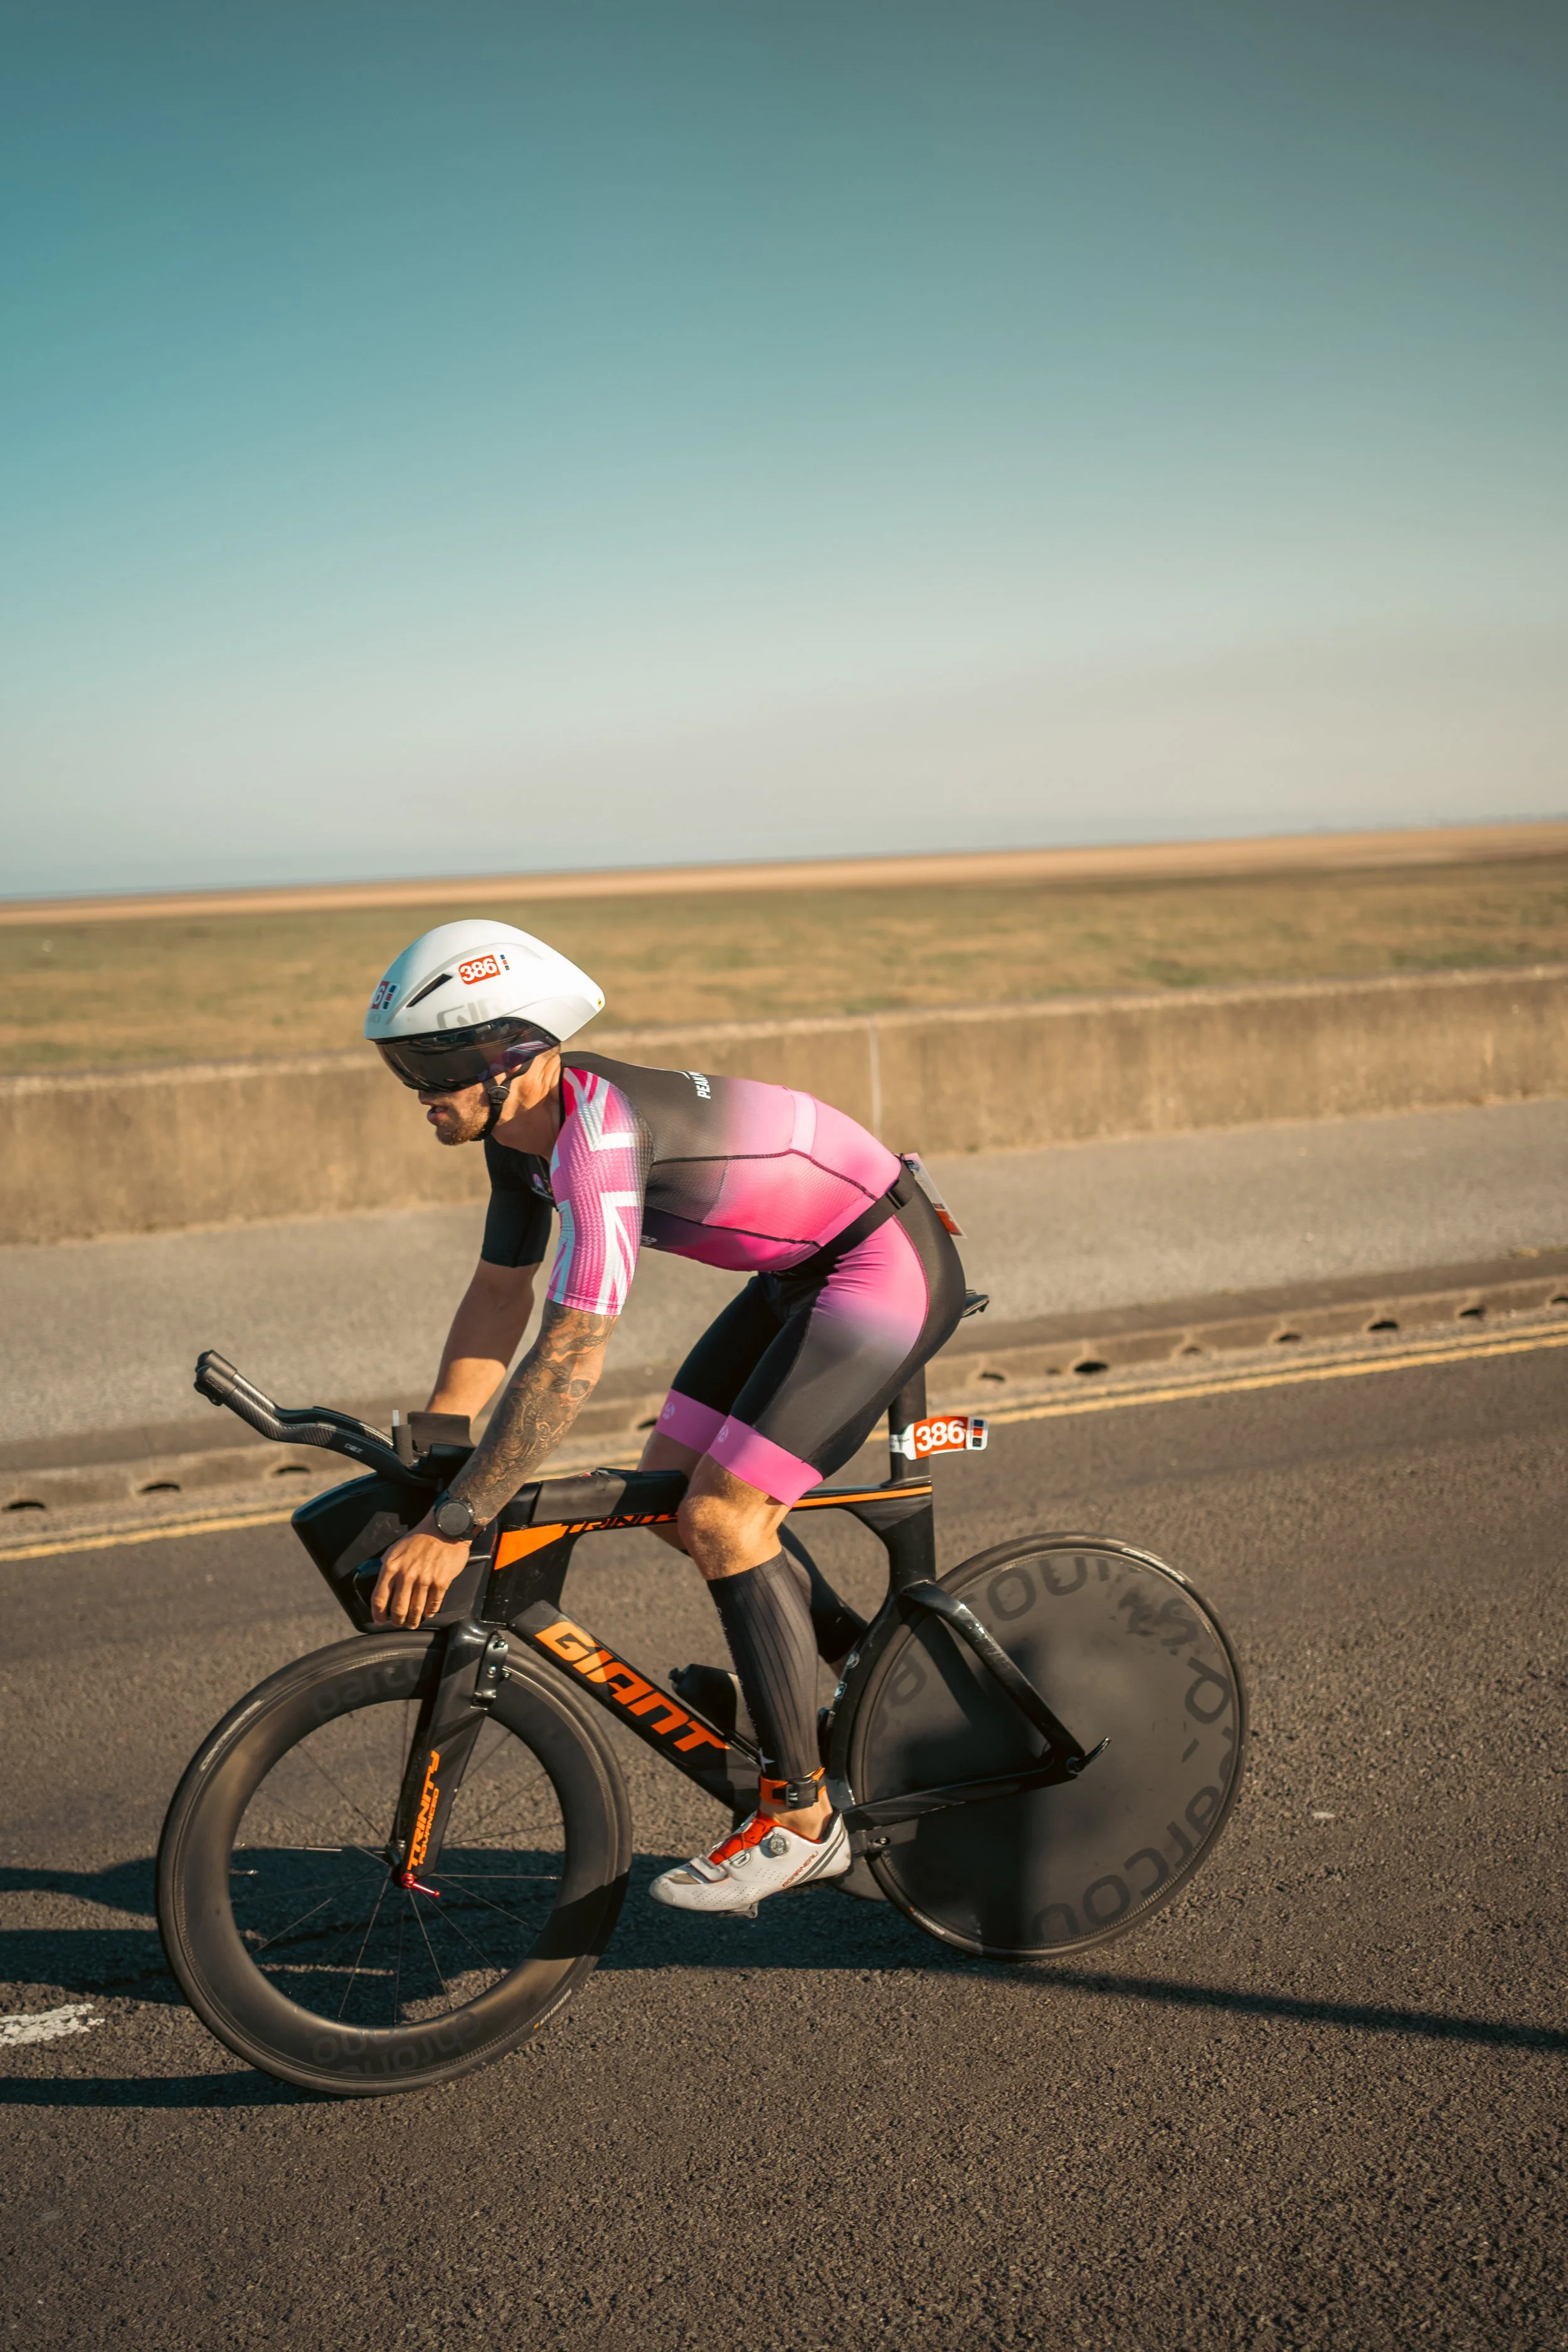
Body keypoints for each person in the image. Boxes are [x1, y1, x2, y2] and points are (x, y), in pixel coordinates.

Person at [368, 918, 965, 1915]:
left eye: (432, 1072)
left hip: (878, 1262)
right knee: (672, 1480)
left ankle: (803, 1818)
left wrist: (459, 1517)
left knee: (724, 1517)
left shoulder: (595, 1139)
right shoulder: (520, 1139)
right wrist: (444, 1434)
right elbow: (497, 1294)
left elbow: (566, 1359)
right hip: (799, 1273)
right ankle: (856, 1666)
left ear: (512, 1059)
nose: (418, 1098)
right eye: (402, 1072)